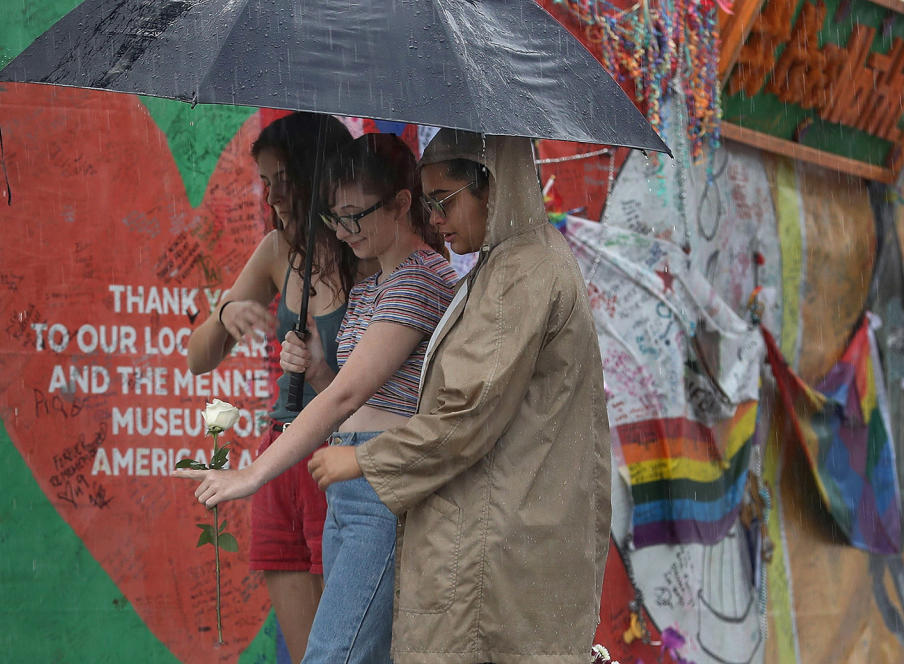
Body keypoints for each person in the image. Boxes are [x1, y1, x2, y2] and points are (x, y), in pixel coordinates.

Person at [307, 129, 613, 664]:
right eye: (428, 203)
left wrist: (362, 458)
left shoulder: (523, 273)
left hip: (496, 549)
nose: (436, 218)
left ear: (494, 188)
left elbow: (465, 416)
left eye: (444, 200)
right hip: (495, 536)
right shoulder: (508, 265)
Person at [177, 132, 459, 663]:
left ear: (402, 203)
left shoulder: (422, 277)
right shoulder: (375, 281)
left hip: (380, 484)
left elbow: (350, 395)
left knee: (333, 655)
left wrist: (252, 473)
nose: (344, 230)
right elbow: (340, 390)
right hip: (347, 487)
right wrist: (317, 367)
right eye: (335, 218)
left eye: (355, 216)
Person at [185, 112, 354, 661]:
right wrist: (227, 311)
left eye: (284, 178)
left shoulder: (363, 250)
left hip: (344, 457)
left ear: (317, 171)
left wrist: (327, 369)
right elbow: (198, 359)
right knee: (307, 652)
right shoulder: (278, 251)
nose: (273, 195)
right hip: (282, 453)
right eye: (264, 181)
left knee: (346, 646)